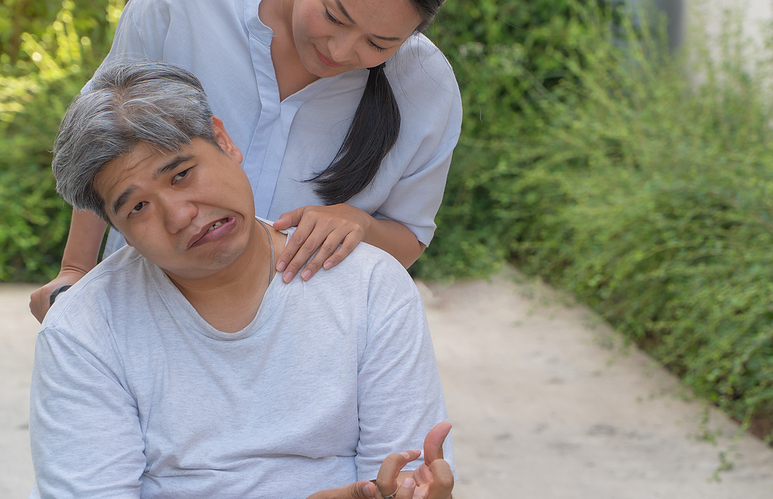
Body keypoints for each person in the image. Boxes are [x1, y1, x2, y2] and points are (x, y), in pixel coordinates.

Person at [30, 61, 455, 499]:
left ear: (224, 141)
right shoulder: (83, 331)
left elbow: (404, 474)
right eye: (136, 207)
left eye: (181, 174)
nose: (180, 216)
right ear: (120, 230)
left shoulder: (368, 286)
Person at [30, 0, 462, 323]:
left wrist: (360, 225)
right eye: (333, 16)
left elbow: (410, 234)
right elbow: (104, 141)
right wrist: (76, 272)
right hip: (146, 317)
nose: (339, 49)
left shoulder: (425, 89)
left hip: (305, 340)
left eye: (378, 44)